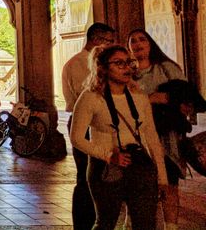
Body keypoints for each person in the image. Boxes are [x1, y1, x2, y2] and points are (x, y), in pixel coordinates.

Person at [70, 44, 168, 230]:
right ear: (104, 68)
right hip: (106, 167)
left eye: (129, 62)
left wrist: (162, 178)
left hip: (139, 164)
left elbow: (152, 136)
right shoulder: (91, 97)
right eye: (119, 63)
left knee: (146, 224)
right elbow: (76, 138)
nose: (126, 68)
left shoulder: (138, 96)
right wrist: (108, 155)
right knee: (105, 223)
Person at [127, 29, 186, 230]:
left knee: (169, 184)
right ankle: (132, 222)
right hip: (137, 137)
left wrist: (167, 99)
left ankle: (171, 226)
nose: (137, 44)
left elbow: (186, 98)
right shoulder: (128, 73)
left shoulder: (166, 68)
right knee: (138, 185)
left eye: (141, 39)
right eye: (132, 41)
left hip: (166, 136)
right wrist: (150, 99)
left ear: (151, 43)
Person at [62, 22, 115, 230]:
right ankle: (85, 223)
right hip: (85, 125)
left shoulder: (84, 62)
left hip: (93, 123)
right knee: (87, 176)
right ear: (96, 40)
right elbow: (92, 98)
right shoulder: (80, 64)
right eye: (109, 41)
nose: (112, 45)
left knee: (96, 174)